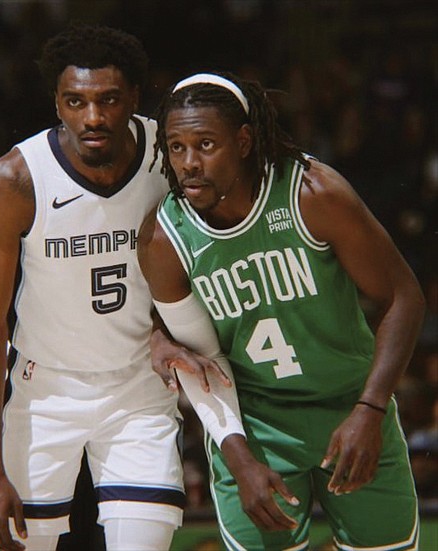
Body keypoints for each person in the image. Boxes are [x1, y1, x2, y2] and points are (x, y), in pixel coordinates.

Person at [138, 72, 426, 550]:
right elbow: (201, 364)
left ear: (245, 141)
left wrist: (371, 408)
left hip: (350, 407)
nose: (189, 163)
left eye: (206, 144)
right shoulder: (167, 238)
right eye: (176, 147)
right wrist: (238, 456)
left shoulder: (312, 194)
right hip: (254, 425)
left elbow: (403, 297)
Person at [0, 23, 222, 551]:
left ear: (134, 96)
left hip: (138, 389)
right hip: (43, 390)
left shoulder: (167, 155)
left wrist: (162, 327)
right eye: (75, 101)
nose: (94, 117)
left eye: (108, 99)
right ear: (56, 104)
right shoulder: (17, 179)